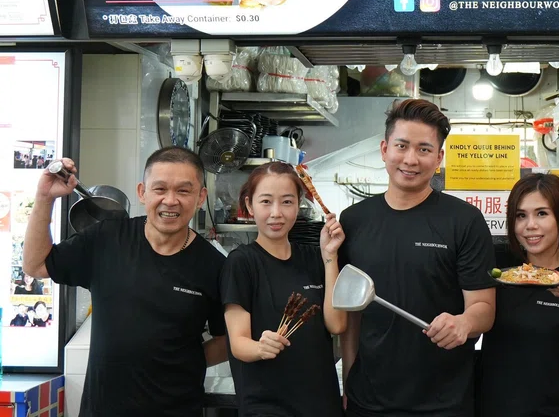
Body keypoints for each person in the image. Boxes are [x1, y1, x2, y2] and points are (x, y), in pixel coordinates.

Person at [22, 148, 228, 417]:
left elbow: (227, 339)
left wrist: (183, 360)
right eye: (160, 189)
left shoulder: (214, 266)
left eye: (184, 191)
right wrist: (44, 197)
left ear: (201, 196)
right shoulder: (107, 239)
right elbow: (35, 265)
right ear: (143, 192)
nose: (170, 200)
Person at [339, 99, 496, 417]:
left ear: (439, 158)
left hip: (445, 401)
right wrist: (347, 380)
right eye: (402, 146)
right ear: (384, 149)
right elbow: (351, 315)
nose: (410, 159)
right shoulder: (354, 220)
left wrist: (464, 322)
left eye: (424, 149)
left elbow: (484, 309)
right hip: (368, 401)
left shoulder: (464, 220)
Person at [221, 162, 347, 417]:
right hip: (269, 406)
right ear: (249, 206)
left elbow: (337, 325)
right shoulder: (242, 262)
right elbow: (238, 343)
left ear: (298, 205)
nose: (276, 213)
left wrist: (330, 256)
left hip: (321, 403)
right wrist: (260, 347)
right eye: (266, 202)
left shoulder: (315, 258)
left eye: (287, 202)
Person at [479, 173, 559, 417]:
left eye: (542, 213)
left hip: (549, 410)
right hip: (488, 406)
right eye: (520, 215)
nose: (530, 226)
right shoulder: (499, 266)